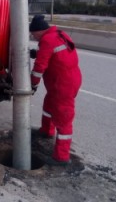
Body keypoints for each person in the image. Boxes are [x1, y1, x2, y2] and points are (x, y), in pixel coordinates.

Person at [29, 14, 82, 165]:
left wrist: (32, 84)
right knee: (49, 105)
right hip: (66, 80)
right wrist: (37, 53)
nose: (34, 38)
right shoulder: (58, 34)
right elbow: (56, 54)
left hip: (63, 84)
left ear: (39, 31)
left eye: (33, 35)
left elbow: (40, 67)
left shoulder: (46, 40)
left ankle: (61, 157)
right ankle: (47, 131)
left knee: (63, 117)